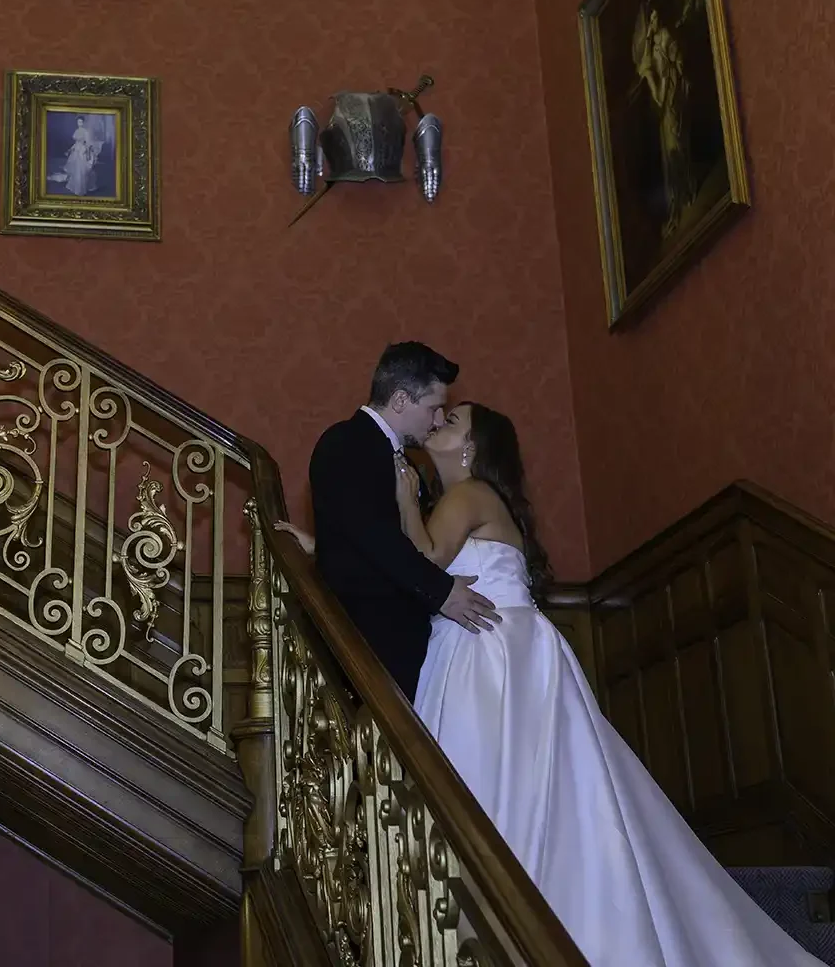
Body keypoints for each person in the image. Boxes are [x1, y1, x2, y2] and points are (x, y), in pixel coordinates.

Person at [393, 401, 820, 965]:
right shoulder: (461, 501)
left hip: (492, 658)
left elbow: (420, 558)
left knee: (498, 796)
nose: (441, 420)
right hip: (491, 651)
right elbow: (401, 567)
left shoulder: (466, 495)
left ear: (472, 449)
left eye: (454, 421)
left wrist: (400, 490)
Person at [281, 343, 499, 701]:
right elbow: (375, 538)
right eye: (433, 408)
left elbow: (372, 538)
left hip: (407, 643)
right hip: (371, 641)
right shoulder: (346, 443)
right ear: (400, 400)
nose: (439, 419)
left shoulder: (408, 467)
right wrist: (440, 591)